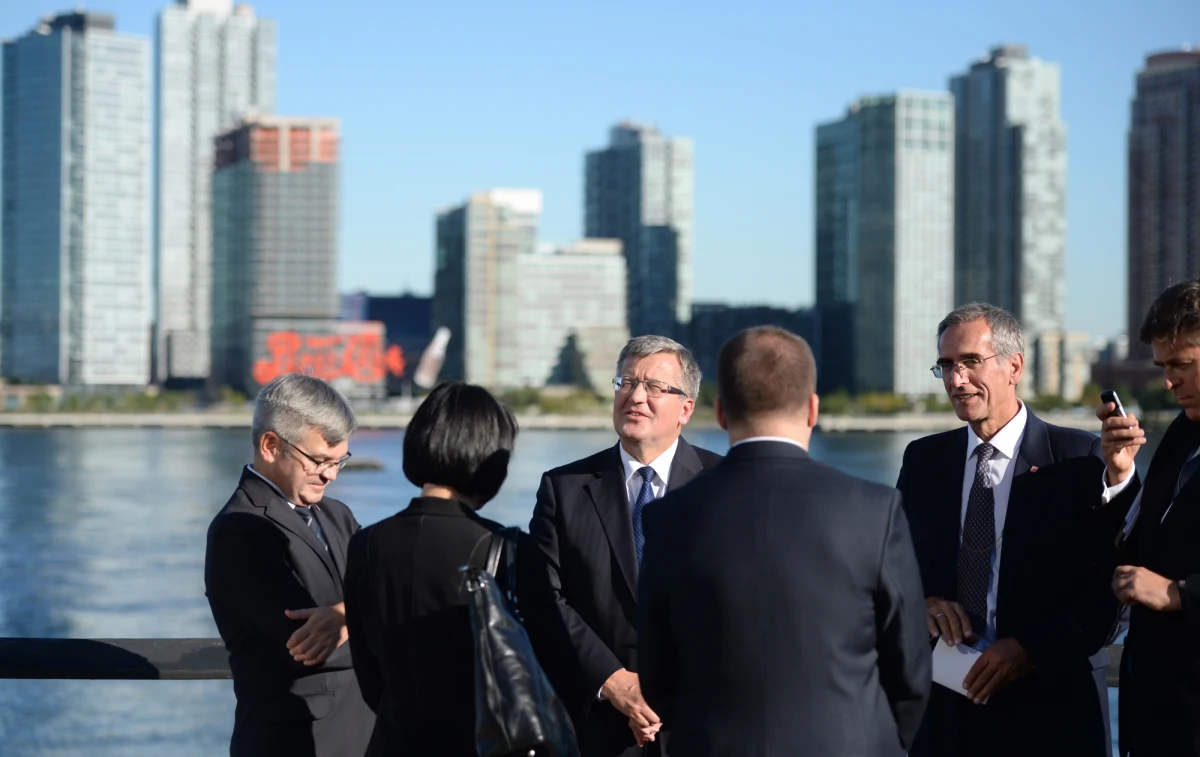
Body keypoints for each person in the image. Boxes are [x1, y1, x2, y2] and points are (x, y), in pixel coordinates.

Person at [636, 326, 930, 756]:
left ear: (720, 412)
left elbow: (657, 676)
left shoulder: (667, 517)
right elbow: (910, 670)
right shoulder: (875, 510)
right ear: (813, 409)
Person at [897, 303, 1127, 757]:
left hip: (1051, 715)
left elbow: (1108, 595)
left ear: (1013, 366)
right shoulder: (923, 460)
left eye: (969, 363)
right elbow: (890, 569)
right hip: (944, 716)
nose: (955, 380)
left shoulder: (1080, 459)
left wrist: (1029, 650)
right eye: (945, 365)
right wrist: (921, 603)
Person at [342, 381, 578, 756]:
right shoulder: (511, 549)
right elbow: (552, 668)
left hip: (390, 743)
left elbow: (368, 675)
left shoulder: (366, 544)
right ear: (488, 456)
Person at [529, 335, 723, 756]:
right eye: (626, 382)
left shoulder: (724, 484)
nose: (635, 396)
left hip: (698, 723)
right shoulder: (564, 487)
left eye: (655, 387)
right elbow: (544, 598)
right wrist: (613, 680)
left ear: (686, 408)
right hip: (597, 726)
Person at [205, 374, 374, 757]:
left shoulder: (336, 514)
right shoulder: (239, 530)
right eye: (319, 460)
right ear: (270, 445)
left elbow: (383, 584)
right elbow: (309, 647)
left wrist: (346, 615)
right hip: (291, 744)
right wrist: (384, 619)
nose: (331, 474)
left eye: (339, 462)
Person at [1101, 280, 1200, 756]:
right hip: (1153, 715)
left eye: (1182, 365)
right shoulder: (1182, 432)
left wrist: (1178, 594)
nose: (1168, 381)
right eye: (1163, 367)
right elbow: (1140, 549)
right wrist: (1121, 475)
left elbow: (1162, 583)